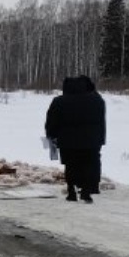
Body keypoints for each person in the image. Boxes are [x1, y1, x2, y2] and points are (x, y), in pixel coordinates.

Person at [44, 75, 106, 203]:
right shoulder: (97, 100)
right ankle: (86, 191)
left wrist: (51, 135)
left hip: (67, 141)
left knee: (71, 165)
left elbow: (51, 121)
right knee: (88, 165)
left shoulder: (59, 101)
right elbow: (101, 122)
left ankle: (71, 191)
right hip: (91, 141)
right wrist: (100, 139)